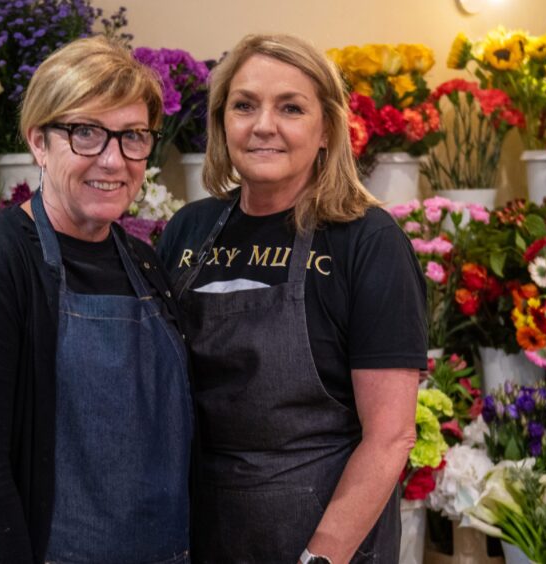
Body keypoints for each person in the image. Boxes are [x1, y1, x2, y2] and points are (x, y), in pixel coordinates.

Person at [0, 36, 192, 564]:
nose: (113, 160)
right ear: (38, 142)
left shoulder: (146, 263)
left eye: (133, 136)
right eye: (86, 133)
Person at [157, 33, 426, 564]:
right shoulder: (188, 230)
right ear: (221, 122)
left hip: (322, 535)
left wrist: (319, 557)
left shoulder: (366, 241)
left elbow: (390, 437)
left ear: (326, 129)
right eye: (244, 105)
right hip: (205, 529)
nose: (263, 126)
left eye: (291, 108)